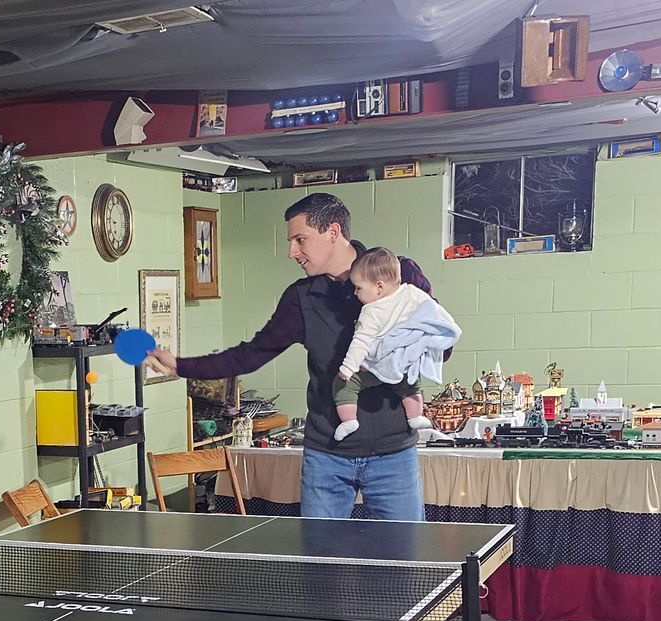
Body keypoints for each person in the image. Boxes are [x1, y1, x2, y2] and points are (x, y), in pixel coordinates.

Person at [146, 192, 444, 520]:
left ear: (333, 232)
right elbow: (249, 355)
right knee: (318, 565)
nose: (292, 252)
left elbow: (442, 344)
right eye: (291, 242)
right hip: (326, 458)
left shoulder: (401, 274)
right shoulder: (300, 298)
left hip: (393, 454)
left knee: (407, 562)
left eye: (300, 240)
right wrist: (182, 365)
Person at [333, 247, 460, 441]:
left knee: (344, 385)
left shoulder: (370, 311)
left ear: (379, 287)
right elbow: (432, 313)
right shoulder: (411, 292)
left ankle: (348, 420)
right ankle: (415, 416)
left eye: (358, 288)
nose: (356, 293)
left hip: (375, 366)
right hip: (401, 362)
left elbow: (360, 342)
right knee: (411, 383)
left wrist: (347, 368)